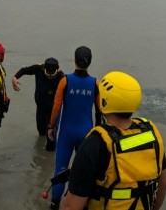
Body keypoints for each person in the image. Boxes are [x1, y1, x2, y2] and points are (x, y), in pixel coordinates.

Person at [61, 71, 166, 210]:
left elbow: (71, 206)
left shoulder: (96, 144)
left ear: (104, 101)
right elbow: (163, 184)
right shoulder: (151, 133)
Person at [47, 46, 102, 210]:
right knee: (86, 173)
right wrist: (98, 133)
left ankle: (55, 204)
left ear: (74, 59)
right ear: (90, 62)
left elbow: (56, 107)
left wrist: (51, 126)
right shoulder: (96, 83)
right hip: (87, 134)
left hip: (66, 133)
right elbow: (100, 111)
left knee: (60, 170)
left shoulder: (65, 80)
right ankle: (84, 205)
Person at [11, 57, 64, 151]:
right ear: (44, 69)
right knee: (41, 133)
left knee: (51, 139)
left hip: (53, 110)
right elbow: (24, 70)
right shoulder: (38, 69)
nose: (50, 77)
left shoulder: (61, 76)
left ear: (57, 69)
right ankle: (41, 158)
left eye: (52, 75)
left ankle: (50, 158)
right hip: (40, 107)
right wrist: (15, 77)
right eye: (48, 74)